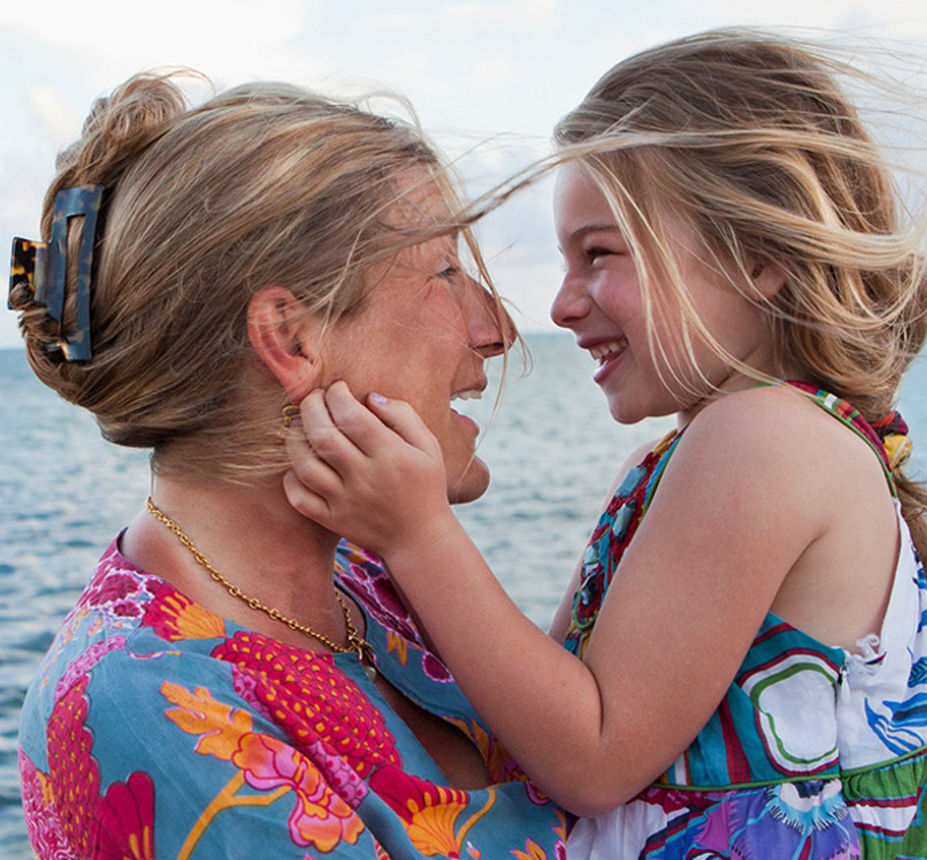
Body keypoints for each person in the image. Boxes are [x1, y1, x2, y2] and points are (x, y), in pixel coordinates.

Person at [284, 30, 927, 860]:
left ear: (759, 255)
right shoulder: (695, 455)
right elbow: (542, 714)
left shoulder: (763, 438)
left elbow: (591, 760)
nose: (559, 307)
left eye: (598, 254)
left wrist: (416, 535)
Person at [12, 70, 567, 858]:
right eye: (446, 271)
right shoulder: (137, 699)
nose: (497, 327)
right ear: (291, 338)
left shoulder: (376, 582)